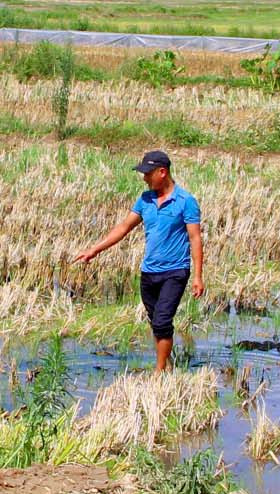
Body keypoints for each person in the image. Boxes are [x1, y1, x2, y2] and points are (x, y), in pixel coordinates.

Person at [74, 149, 205, 371]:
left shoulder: (186, 201)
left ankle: (160, 371)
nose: (144, 178)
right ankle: (167, 363)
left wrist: (198, 276)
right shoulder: (145, 200)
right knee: (156, 323)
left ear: (162, 172)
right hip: (149, 272)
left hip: (175, 271)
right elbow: (124, 227)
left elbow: (195, 238)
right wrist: (95, 249)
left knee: (163, 321)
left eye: (148, 173)